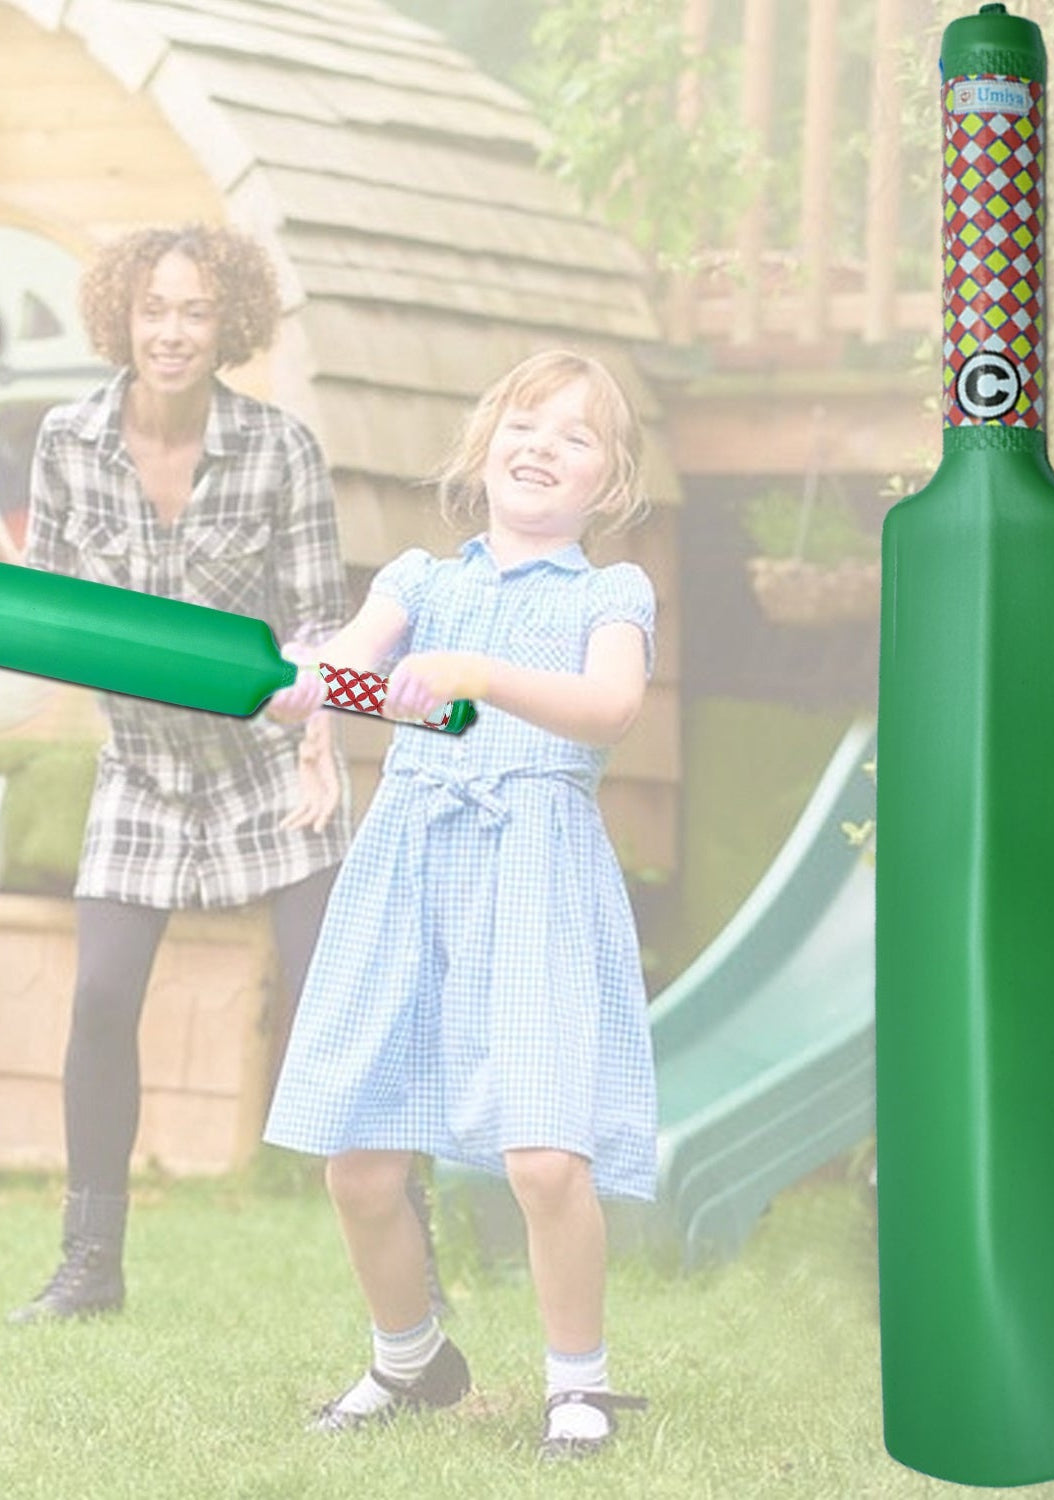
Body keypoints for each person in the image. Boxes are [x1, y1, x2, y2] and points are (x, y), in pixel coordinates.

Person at [0, 223, 442, 1322]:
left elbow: (324, 620)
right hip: (143, 766)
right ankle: (92, 1264)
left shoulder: (280, 448)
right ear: (120, 318)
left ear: (230, 323)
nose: (171, 332)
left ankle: (414, 1240)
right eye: (153, 310)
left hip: (274, 759)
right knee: (100, 998)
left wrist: (322, 739)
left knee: (337, 1001)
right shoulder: (69, 441)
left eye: (194, 311)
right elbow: (57, 615)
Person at [264, 349, 659, 1461]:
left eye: (575, 436)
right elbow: (347, 674)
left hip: (533, 871)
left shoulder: (606, 594)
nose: (541, 445)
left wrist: (478, 674)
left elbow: (609, 708)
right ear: (484, 452)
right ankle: (409, 1362)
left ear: (607, 484)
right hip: (407, 868)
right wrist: (305, 691)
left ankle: (578, 1386)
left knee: (543, 1157)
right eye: (523, 424)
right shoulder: (418, 581)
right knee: (360, 1161)